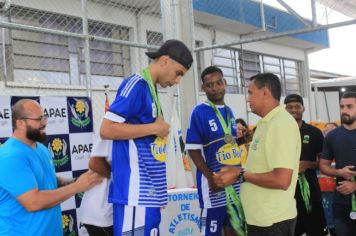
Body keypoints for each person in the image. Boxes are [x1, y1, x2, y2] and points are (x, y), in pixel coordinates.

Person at [100, 39, 193, 235]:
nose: (177, 81)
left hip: (149, 194)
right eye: (178, 74)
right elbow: (107, 129)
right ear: (165, 60)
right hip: (135, 194)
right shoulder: (136, 84)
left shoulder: (151, 90)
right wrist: (153, 128)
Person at [213, 73, 301, 236]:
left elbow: (282, 180)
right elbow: (261, 168)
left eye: (250, 92)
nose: (247, 99)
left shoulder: (281, 124)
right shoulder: (265, 123)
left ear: (265, 92)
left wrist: (240, 175)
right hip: (262, 220)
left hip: (273, 222)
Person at [0, 99, 102, 236]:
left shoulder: (40, 147)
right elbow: (33, 202)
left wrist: (76, 181)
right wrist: (77, 187)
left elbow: (47, 179)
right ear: (20, 123)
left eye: (45, 117)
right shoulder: (11, 156)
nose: (45, 122)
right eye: (39, 119)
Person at [185, 66, 241, 236]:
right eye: (210, 85)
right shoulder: (199, 112)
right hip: (213, 186)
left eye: (219, 83)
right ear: (204, 88)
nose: (215, 88)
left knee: (235, 230)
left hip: (233, 186)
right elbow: (193, 150)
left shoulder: (229, 111)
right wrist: (210, 177)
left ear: (225, 83)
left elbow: (228, 144)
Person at [284, 94, 327, 236]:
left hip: (310, 187)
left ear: (303, 108)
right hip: (285, 189)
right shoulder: (278, 132)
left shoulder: (315, 133)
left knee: (316, 227)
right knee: (291, 229)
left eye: (297, 106)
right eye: (289, 107)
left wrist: (308, 164)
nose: (293, 109)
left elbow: (322, 163)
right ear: (284, 109)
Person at [319, 91, 356, 236]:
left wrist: (354, 184)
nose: (344, 111)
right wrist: (339, 172)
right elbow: (323, 165)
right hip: (341, 201)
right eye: (342, 107)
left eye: (349, 106)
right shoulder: (332, 136)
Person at [80, 135, 113, 236]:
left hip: (109, 211)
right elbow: (94, 162)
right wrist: (119, 178)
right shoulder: (110, 129)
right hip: (101, 212)